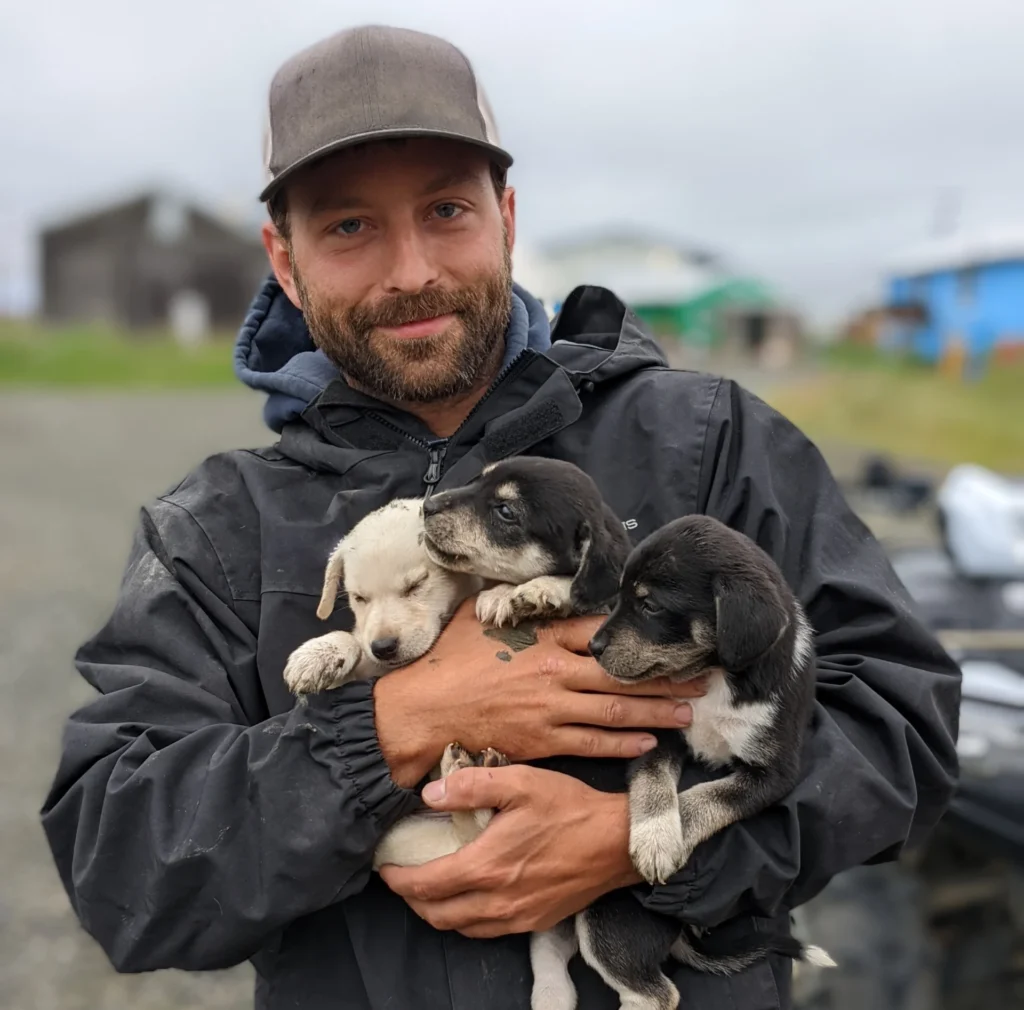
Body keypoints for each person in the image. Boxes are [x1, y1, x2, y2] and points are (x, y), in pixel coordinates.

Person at [41, 24, 961, 1010]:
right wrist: (396, 721)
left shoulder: (711, 441)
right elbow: (122, 865)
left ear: (506, 216)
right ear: (284, 257)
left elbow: (901, 725)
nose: (410, 270)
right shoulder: (215, 530)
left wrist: (641, 844)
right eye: (349, 226)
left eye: (446, 209)